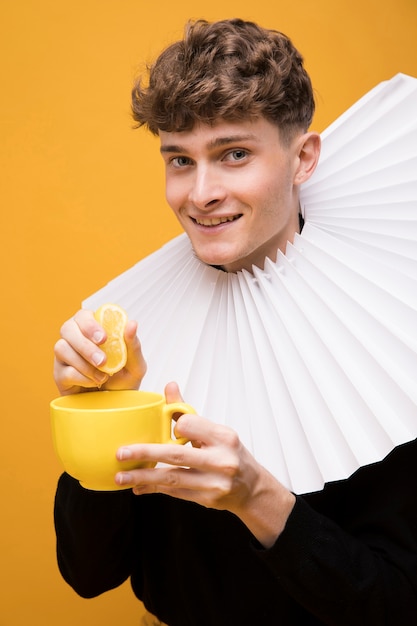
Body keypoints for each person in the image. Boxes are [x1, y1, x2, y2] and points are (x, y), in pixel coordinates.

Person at [53, 18, 417, 626]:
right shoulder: (130, 326)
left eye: (234, 155)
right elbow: (90, 575)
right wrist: (103, 411)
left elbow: (397, 605)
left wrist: (259, 499)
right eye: (179, 160)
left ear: (303, 159)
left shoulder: (390, 329)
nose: (200, 194)